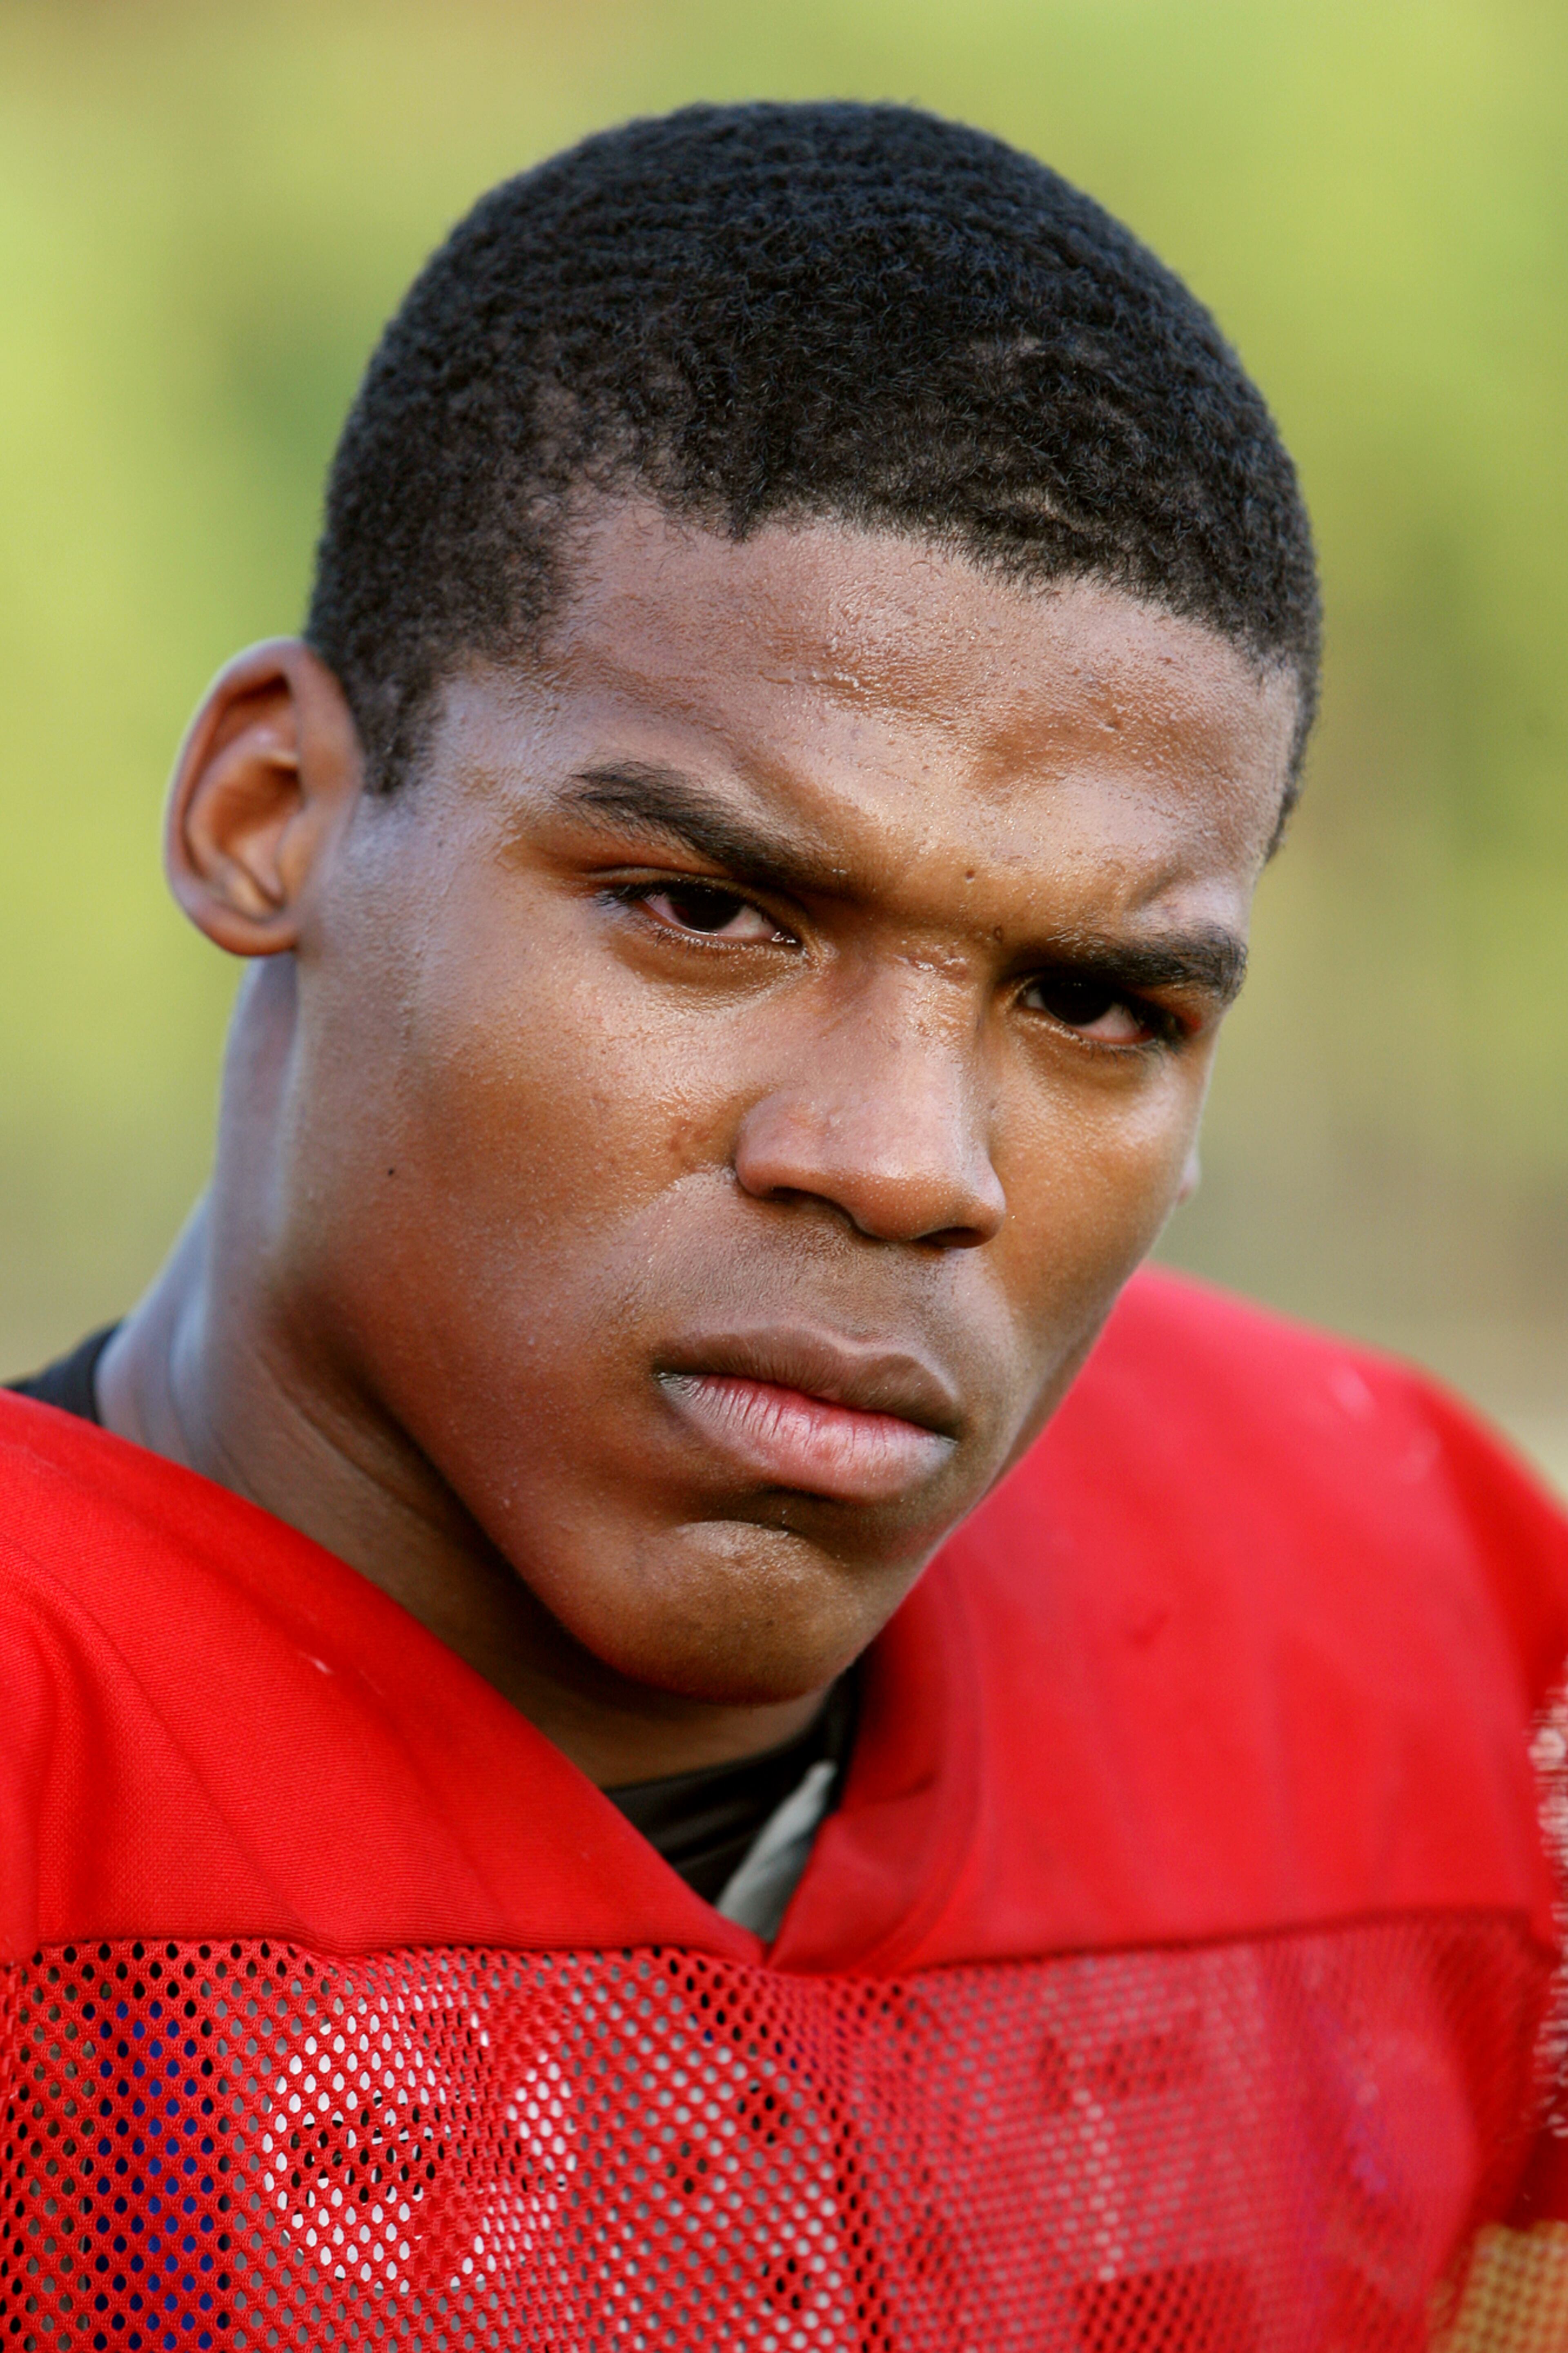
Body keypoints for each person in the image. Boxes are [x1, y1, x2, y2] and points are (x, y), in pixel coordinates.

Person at [2, 100, 1564, 2351]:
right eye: (709, 907)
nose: (913, 1157)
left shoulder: (1420, 1642)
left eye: (1096, 1000)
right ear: (275, 818)